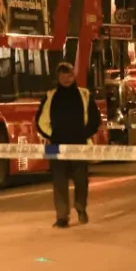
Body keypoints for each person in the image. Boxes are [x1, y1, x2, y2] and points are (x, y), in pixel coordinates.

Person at [35, 62, 102, 228]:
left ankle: (80, 208)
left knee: (81, 180)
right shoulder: (51, 96)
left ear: (74, 76)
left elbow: (95, 119)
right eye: (62, 76)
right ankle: (62, 216)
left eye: (68, 75)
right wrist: (52, 136)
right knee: (59, 182)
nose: (66, 79)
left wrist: (84, 134)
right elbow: (40, 121)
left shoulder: (84, 95)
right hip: (57, 147)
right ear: (58, 78)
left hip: (79, 145)